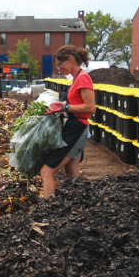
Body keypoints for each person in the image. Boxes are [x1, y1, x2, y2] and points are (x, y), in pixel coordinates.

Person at [40, 45, 96, 199]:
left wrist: (64, 106)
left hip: (77, 128)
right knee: (71, 172)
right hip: (75, 126)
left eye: (60, 64)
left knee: (46, 171)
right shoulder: (77, 78)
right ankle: (82, 205)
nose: (58, 68)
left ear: (70, 59)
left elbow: (91, 107)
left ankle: (47, 209)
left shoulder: (83, 77)